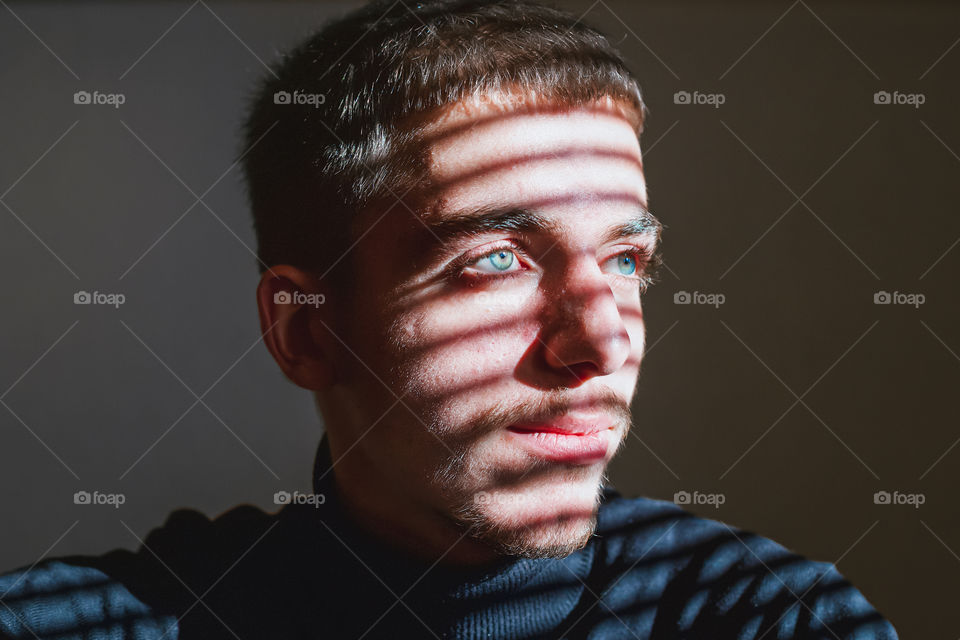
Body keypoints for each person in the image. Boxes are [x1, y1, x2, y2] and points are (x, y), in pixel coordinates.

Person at [0, 1, 898, 638]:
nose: (603, 339)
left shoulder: (769, 618)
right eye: (496, 261)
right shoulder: (125, 620)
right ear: (307, 330)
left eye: (626, 260)